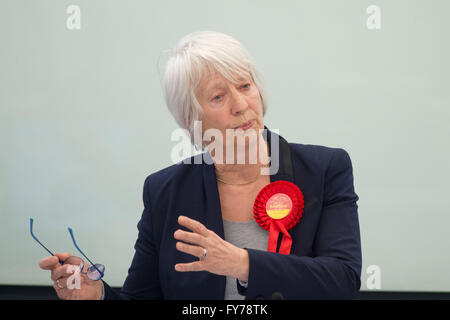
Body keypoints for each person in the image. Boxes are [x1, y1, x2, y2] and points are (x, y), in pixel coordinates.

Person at [38, 30, 362, 300]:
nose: (240, 105)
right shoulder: (164, 191)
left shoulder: (324, 169)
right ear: (191, 119)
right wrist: (98, 296)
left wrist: (242, 263)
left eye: (245, 86)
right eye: (218, 97)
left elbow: (343, 280)